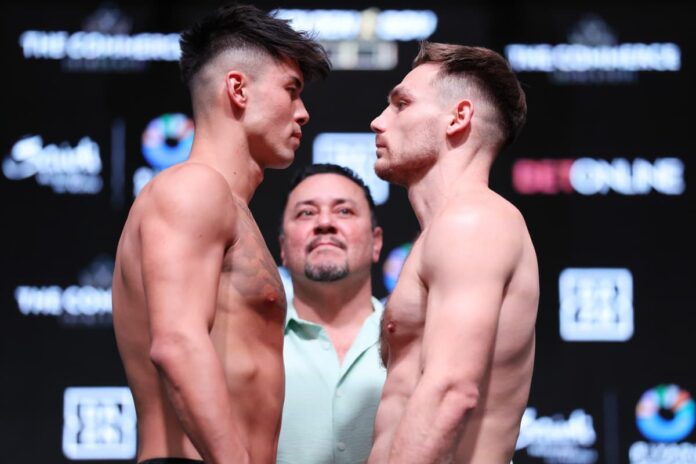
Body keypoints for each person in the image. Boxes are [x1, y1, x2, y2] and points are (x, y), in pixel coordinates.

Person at [111, 4, 329, 464]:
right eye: (292, 91)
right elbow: (177, 343)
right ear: (238, 89)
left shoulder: (227, 208)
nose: (304, 113)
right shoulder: (194, 187)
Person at [367, 41, 539, 464]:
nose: (377, 122)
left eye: (401, 104)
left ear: (458, 117)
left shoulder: (473, 222)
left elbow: (450, 391)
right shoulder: (447, 229)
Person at [276, 164, 386, 464]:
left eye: (344, 211)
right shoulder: (250, 344)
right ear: (283, 248)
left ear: (376, 242)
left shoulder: (414, 344)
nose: (324, 223)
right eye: (306, 213)